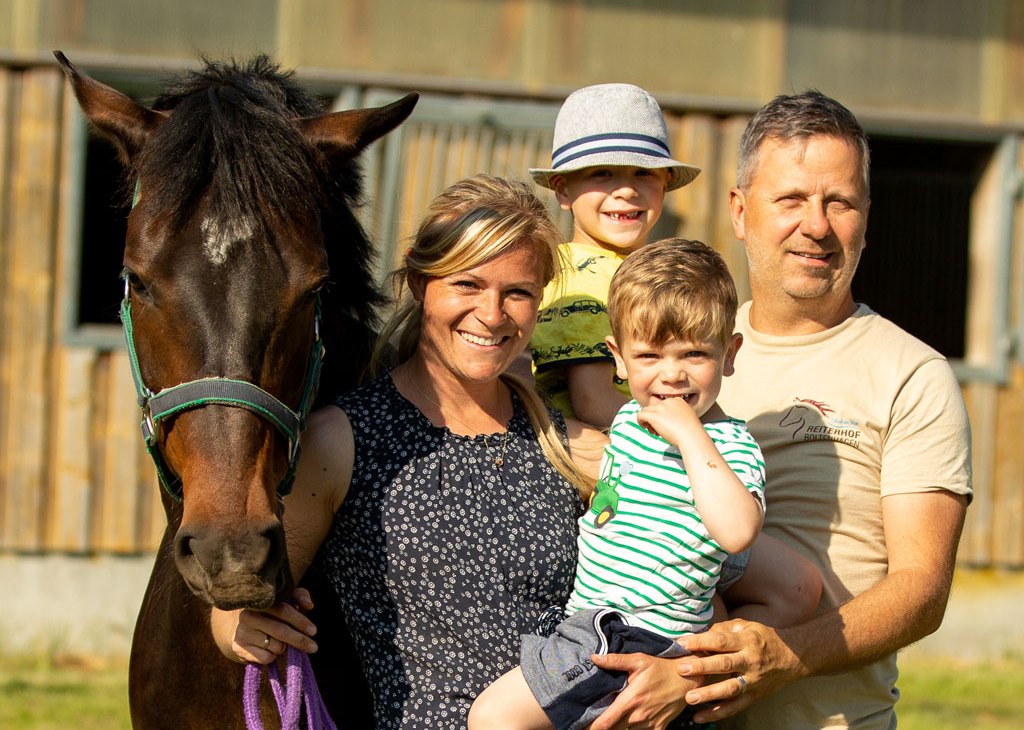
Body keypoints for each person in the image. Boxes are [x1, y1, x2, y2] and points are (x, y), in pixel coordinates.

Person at [209, 174, 703, 729]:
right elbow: (242, 605)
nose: (492, 315)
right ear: (421, 286)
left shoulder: (579, 449)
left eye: (517, 293)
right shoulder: (340, 440)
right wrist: (238, 628)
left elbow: (694, 580)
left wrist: (680, 676)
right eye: (467, 284)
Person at [646, 91, 973, 730]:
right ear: (740, 211)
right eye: (791, 199)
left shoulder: (913, 375)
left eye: (840, 202)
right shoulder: (680, 359)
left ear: (867, 217)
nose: (817, 226)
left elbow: (922, 589)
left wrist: (786, 657)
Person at [469, 238, 820, 730]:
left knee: (493, 718)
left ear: (730, 353)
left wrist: (694, 438)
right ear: (617, 357)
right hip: (595, 621)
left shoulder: (728, 446)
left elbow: (739, 533)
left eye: (694, 354)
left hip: (629, 635)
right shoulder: (631, 417)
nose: (671, 375)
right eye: (650, 356)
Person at [528, 82, 701, 429]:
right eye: (602, 173)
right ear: (563, 189)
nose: (625, 190)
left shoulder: (628, 272)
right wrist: (687, 436)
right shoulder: (583, 277)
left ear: (665, 183)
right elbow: (591, 399)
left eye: (643, 173)